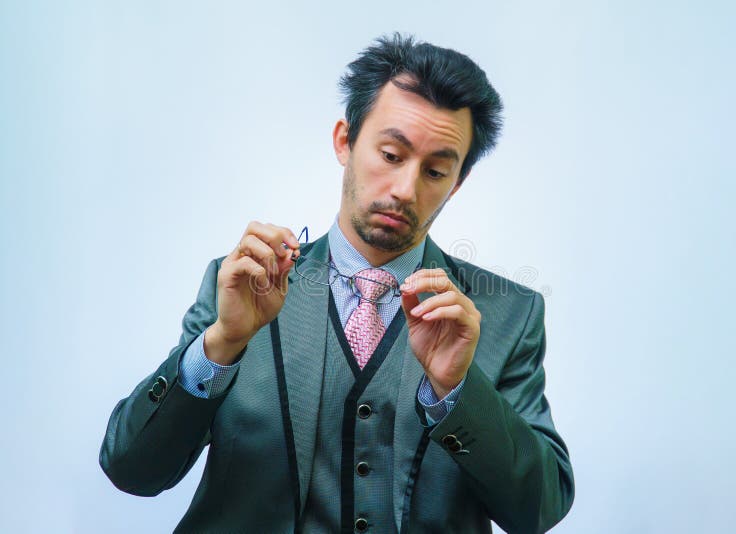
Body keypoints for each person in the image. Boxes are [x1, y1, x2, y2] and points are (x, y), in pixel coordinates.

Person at [100, 33, 575, 533]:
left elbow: (538, 510)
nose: (404, 189)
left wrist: (457, 389)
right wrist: (221, 344)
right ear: (344, 141)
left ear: (457, 182)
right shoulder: (243, 285)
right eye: (391, 155)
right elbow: (133, 470)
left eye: (435, 171)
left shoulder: (507, 315)